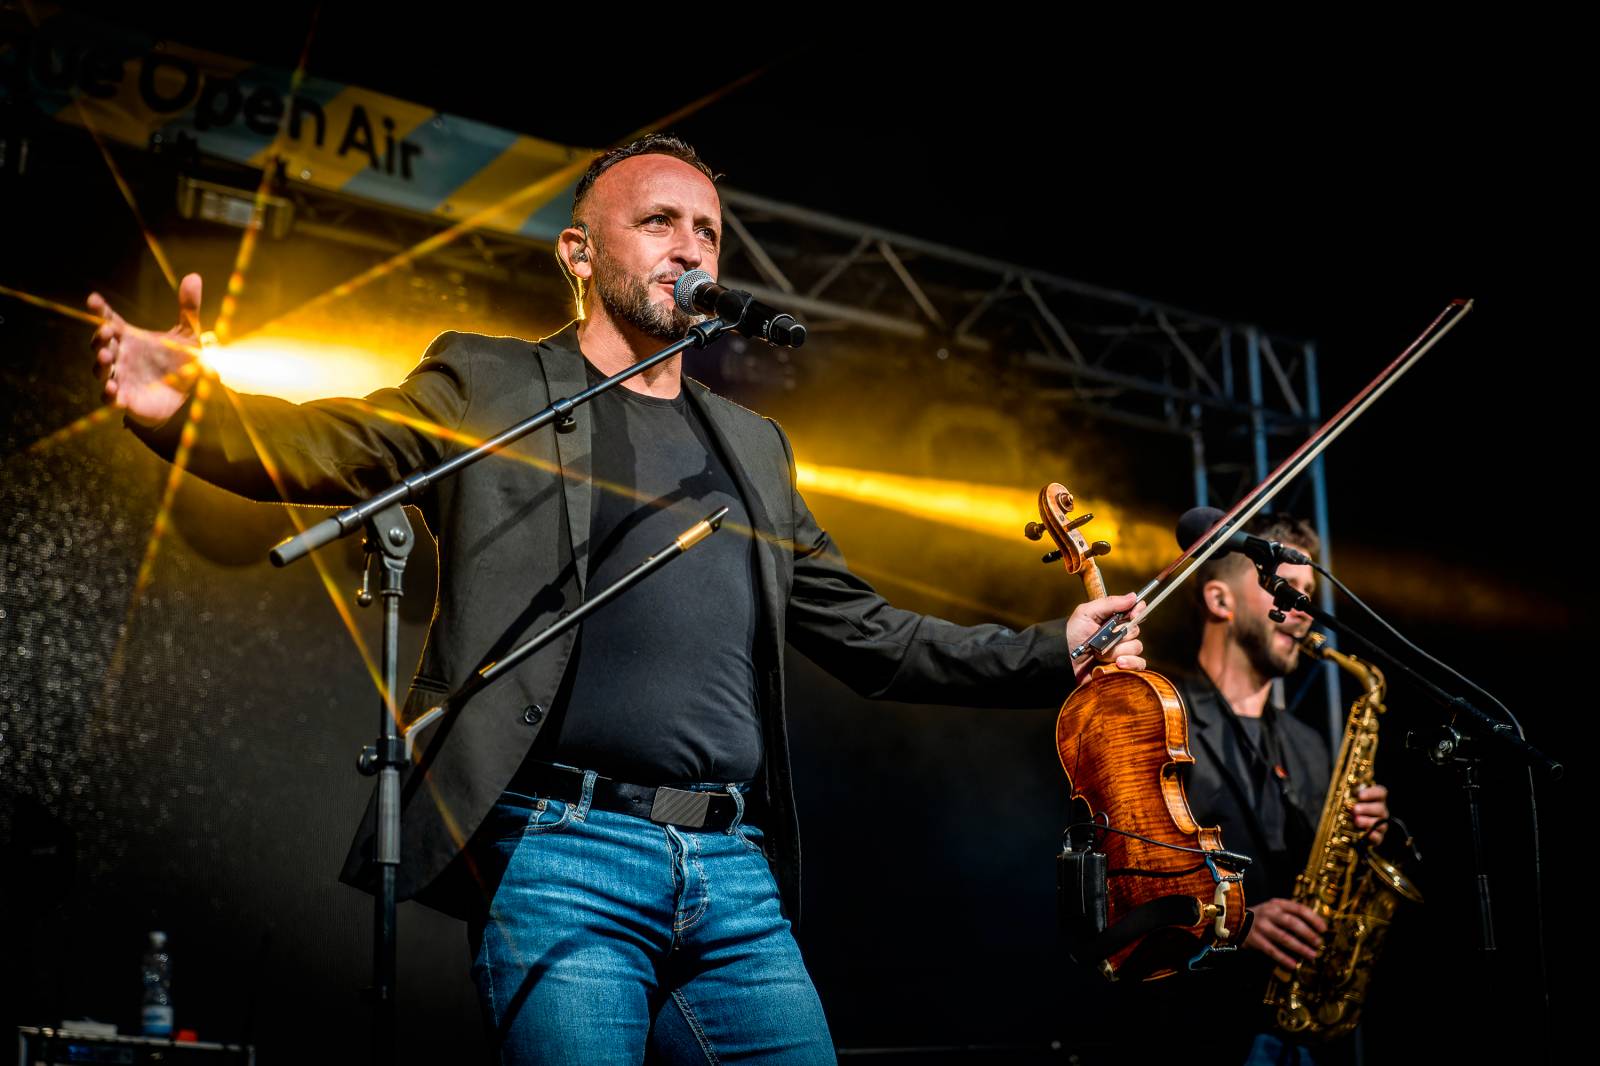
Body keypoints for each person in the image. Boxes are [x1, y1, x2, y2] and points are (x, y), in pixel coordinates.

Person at [88, 135, 1147, 1064]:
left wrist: (1049, 646)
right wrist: (191, 415)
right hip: (561, 856)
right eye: (658, 222)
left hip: (734, 876)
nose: (691, 247)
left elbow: (869, 636)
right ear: (579, 251)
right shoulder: (492, 385)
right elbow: (346, 445)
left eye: (708, 230)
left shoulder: (754, 448)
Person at [1115, 513, 1389, 1066]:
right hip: (1197, 1027)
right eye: (1285, 591)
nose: (1304, 611)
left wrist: (1372, 835)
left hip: (1299, 1029)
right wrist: (1238, 921)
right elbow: (1128, 886)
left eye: (1307, 594)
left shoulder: (1310, 744)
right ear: (1221, 601)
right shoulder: (1162, 722)